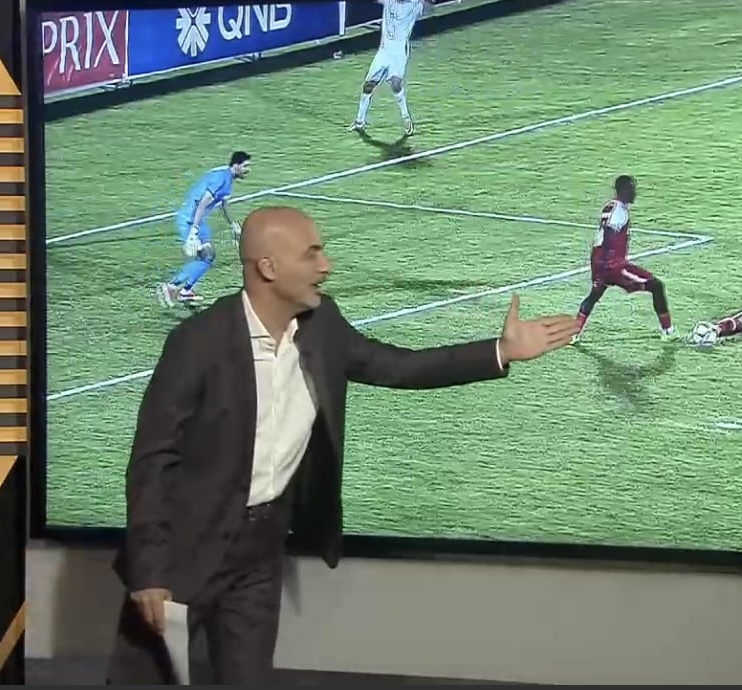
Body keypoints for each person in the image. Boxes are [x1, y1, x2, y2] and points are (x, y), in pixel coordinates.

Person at [107, 206, 578, 685]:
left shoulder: (322, 323)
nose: (326, 266)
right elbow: (152, 460)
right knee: (145, 680)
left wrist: (501, 350)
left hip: (260, 552)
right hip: (184, 549)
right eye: (311, 254)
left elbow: (398, 367)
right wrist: (149, 572)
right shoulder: (197, 342)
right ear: (268, 267)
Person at [572, 175, 675, 343]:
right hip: (613, 265)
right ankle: (669, 331)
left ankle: (573, 334)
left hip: (598, 263)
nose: (635, 192)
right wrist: (611, 264)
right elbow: (610, 234)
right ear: (624, 190)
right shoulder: (619, 211)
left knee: (593, 296)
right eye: (632, 189)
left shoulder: (609, 206)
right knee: (657, 286)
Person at [156, 151, 251, 307]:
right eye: (246, 166)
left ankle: (185, 291)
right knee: (207, 256)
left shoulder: (225, 177)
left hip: (198, 220)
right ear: (236, 165)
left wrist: (232, 224)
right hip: (191, 220)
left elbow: (223, 204)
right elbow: (203, 203)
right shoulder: (222, 179)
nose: (248, 170)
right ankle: (172, 286)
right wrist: (194, 230)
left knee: (208, 256)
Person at [349, 0, 429, 136]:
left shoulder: (414, 5)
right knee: (368, 85)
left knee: (395, 83)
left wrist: (426, 3)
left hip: (399, 50)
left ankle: (406, 118)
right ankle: (360, 121)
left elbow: (428, 8)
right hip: (384, 50)